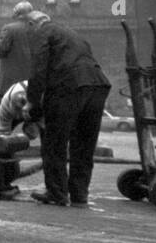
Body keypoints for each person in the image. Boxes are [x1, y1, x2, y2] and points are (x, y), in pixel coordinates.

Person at [26, 18, 111, 207]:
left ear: (32, 23)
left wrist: (33, 102)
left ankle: (57, 193)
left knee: (54, 142)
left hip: (69, 85)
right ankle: (80, 194)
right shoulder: (71, 33)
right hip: (97, 84)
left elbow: (38, 70)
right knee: (84, 144)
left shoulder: (42, 32)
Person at [0, 2, 40, 97]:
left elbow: (0, 51)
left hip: (10, 82)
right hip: (32, 81)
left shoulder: (9, 29)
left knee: (3, 109)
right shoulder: (38, 29)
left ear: (16, 13)